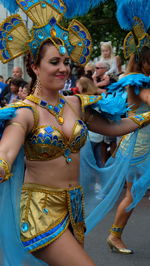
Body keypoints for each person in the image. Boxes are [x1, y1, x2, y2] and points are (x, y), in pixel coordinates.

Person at [0, 1, 150, 265]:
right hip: (41, 212)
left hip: (74, 208)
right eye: (54, 62)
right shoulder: (25, 112)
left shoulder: (75, 103)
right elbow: (6, 152)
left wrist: (147, 116)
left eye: (66, 62)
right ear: (34, 67)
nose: (63, 68)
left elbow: (114, 128)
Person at [107, 45, 150, 254]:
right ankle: (114, 235)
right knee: (132, 195)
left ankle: (115, 235)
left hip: (140, 146)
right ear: (144, 62)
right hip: (140, 149)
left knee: (132, 194)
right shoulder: (138, 83)